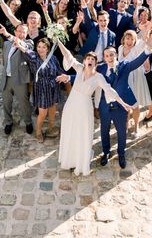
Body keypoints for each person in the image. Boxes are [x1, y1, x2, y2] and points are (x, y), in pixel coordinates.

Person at [56, 41, 132, 176]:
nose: (90, 61)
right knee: (70, 131)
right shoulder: (79, 69)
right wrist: (58, 42)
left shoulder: (99, 77)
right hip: (71, 105)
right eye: (88, 59)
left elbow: (110, 91)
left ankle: (81, 162)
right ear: (84, 61)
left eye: (92, 59)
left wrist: (123, 103)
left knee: (83, 133)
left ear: (95, 63)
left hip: (85, 108)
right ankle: (70, 159)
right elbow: (68, 56)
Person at [95, 43, 152, 168]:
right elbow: (86, 73)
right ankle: (106, 153)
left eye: (111, 55)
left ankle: (121, 153)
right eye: (107, 56)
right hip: (105, 105)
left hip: (121, 106)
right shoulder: (100, 68)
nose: (109, 57)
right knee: (104, 131)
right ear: (104, 58)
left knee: (122, 131)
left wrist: (147, 50)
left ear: (116, 55)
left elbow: (136, 62)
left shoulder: (124, 65)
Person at [11, 37, 62, 142]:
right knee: (42, 113)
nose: (41, 49)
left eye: (43, 47)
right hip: (41, 88)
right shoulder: (34, 57)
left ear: (48, 49)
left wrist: (65, 77)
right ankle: (38, 132)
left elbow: (59, 70)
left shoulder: (53, 58)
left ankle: (51, 128)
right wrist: (18, 43)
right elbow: (25, 49)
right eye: (39, 47)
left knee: (52, 110)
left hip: (53, 86)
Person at [0, 23, 34, 135]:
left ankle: (28, 122)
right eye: (19, 31)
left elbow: (25, 47)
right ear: (15, 31)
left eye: (24, 32)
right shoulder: (7, 44)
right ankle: (8, 122)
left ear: (27, 33)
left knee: (24, 102)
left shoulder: (28, 43)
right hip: (7, 78)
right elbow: (4, 59)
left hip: (19, 78)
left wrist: (8, 35)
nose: (21, 34)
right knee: (6, 102)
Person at [118, 30, 152, 138]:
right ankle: (125, 124)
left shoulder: (137, 48)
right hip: (124, 79)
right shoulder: (120, 49)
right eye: (127, 38)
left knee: (135, 104)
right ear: (124, 39)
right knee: (124, 104)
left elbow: (145, 42)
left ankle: (136, 126)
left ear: (135, 41)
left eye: (132, 39)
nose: (129, 41)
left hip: (136, 78)